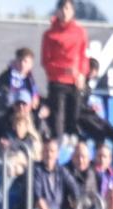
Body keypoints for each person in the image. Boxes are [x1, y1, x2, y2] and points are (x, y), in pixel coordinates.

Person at [40, 0, 89, 140]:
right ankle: (58, 144)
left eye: (68, 9)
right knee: (57, 118)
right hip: (57, 83)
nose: (65, 12)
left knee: (75, 116)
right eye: (62, 9)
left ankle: (73, 144)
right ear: (57, 11)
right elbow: (46, 61)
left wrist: (82, 74)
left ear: (73, 11)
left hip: (75, 83)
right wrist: (64, 70)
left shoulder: (80, 32)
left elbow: (83, 56)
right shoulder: (49, 35)